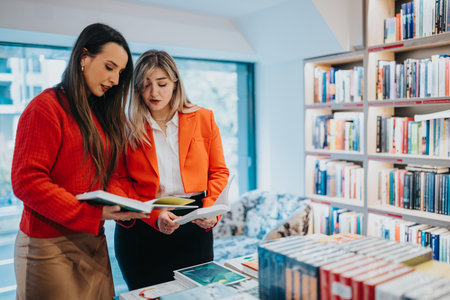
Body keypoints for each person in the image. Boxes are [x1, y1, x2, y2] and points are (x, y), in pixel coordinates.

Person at [11, 23, 149, 300]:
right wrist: (91, 214)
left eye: (120, 73)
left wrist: (124, 205)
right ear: (84, 57)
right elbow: (27, 181)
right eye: (109, 67)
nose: (114, 79)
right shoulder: (45, 107)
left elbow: (107, 175)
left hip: (93, 240)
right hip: (49, 244)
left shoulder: (101, 115)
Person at [114, 50, 229, 290]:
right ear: (136, 88)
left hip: (193, 224)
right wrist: (154, 216)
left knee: (197, 295)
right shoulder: (125, 126)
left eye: (162, 83)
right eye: (145, 85)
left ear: (175, 83)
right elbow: (118, 183)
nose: (154, 93)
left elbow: (218, 172)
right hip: (143, 227)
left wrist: (211, 212)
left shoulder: (203, 118)